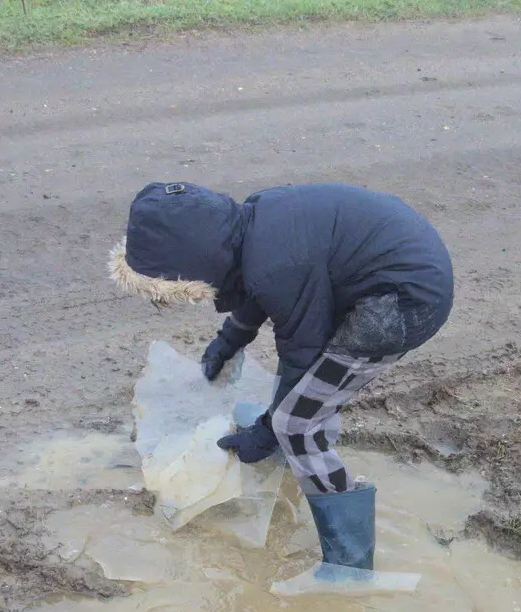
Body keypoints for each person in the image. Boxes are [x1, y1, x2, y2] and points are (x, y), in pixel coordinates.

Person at [108, 180, 453, 574]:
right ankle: (299, 462)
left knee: (297, 422)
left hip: (403, 303)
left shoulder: (278, 265)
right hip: (381, 274)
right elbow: (258, 287)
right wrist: (230, 339)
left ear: (193, 267)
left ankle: (351, 563)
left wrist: (269, 430)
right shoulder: (254, 222)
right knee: (301, 398)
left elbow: (302, 350)